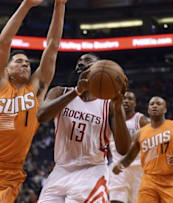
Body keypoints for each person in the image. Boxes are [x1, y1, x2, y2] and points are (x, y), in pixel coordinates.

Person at [0, 0, 66, 202]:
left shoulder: (35, 90)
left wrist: (60, 5)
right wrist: (26, 5)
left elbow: (52, 46)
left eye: (28, 62)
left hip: (7, 175)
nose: (25, 64)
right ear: (7, 69)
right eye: (19, 61)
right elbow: (3, 43)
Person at [36, 53, 131, 202]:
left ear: (101, 69)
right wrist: (77, 91)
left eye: (87, 61)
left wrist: (118, 108)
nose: (80, 64)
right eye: (79, 62)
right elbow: (41, 116)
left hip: (91, 172)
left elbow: (123, 149)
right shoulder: (60, 92)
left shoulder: (109, 105)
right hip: (61, 170)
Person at [113, 96, 173, 203]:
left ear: (165, 109)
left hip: (170, 180)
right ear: (148, 110)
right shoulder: (140, 133)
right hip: (149, 180)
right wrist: (120, 164)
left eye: (158, 104)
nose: (155, 106)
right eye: (152, 104)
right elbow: (130, 157)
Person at [109, 91, 149, 203]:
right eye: (124, 98)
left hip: (138, 168)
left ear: (135, 103)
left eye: (130, 99)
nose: (126, 101)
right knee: (115, 200)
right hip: (118, 166)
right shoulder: (112, 119)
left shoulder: (141, 119)